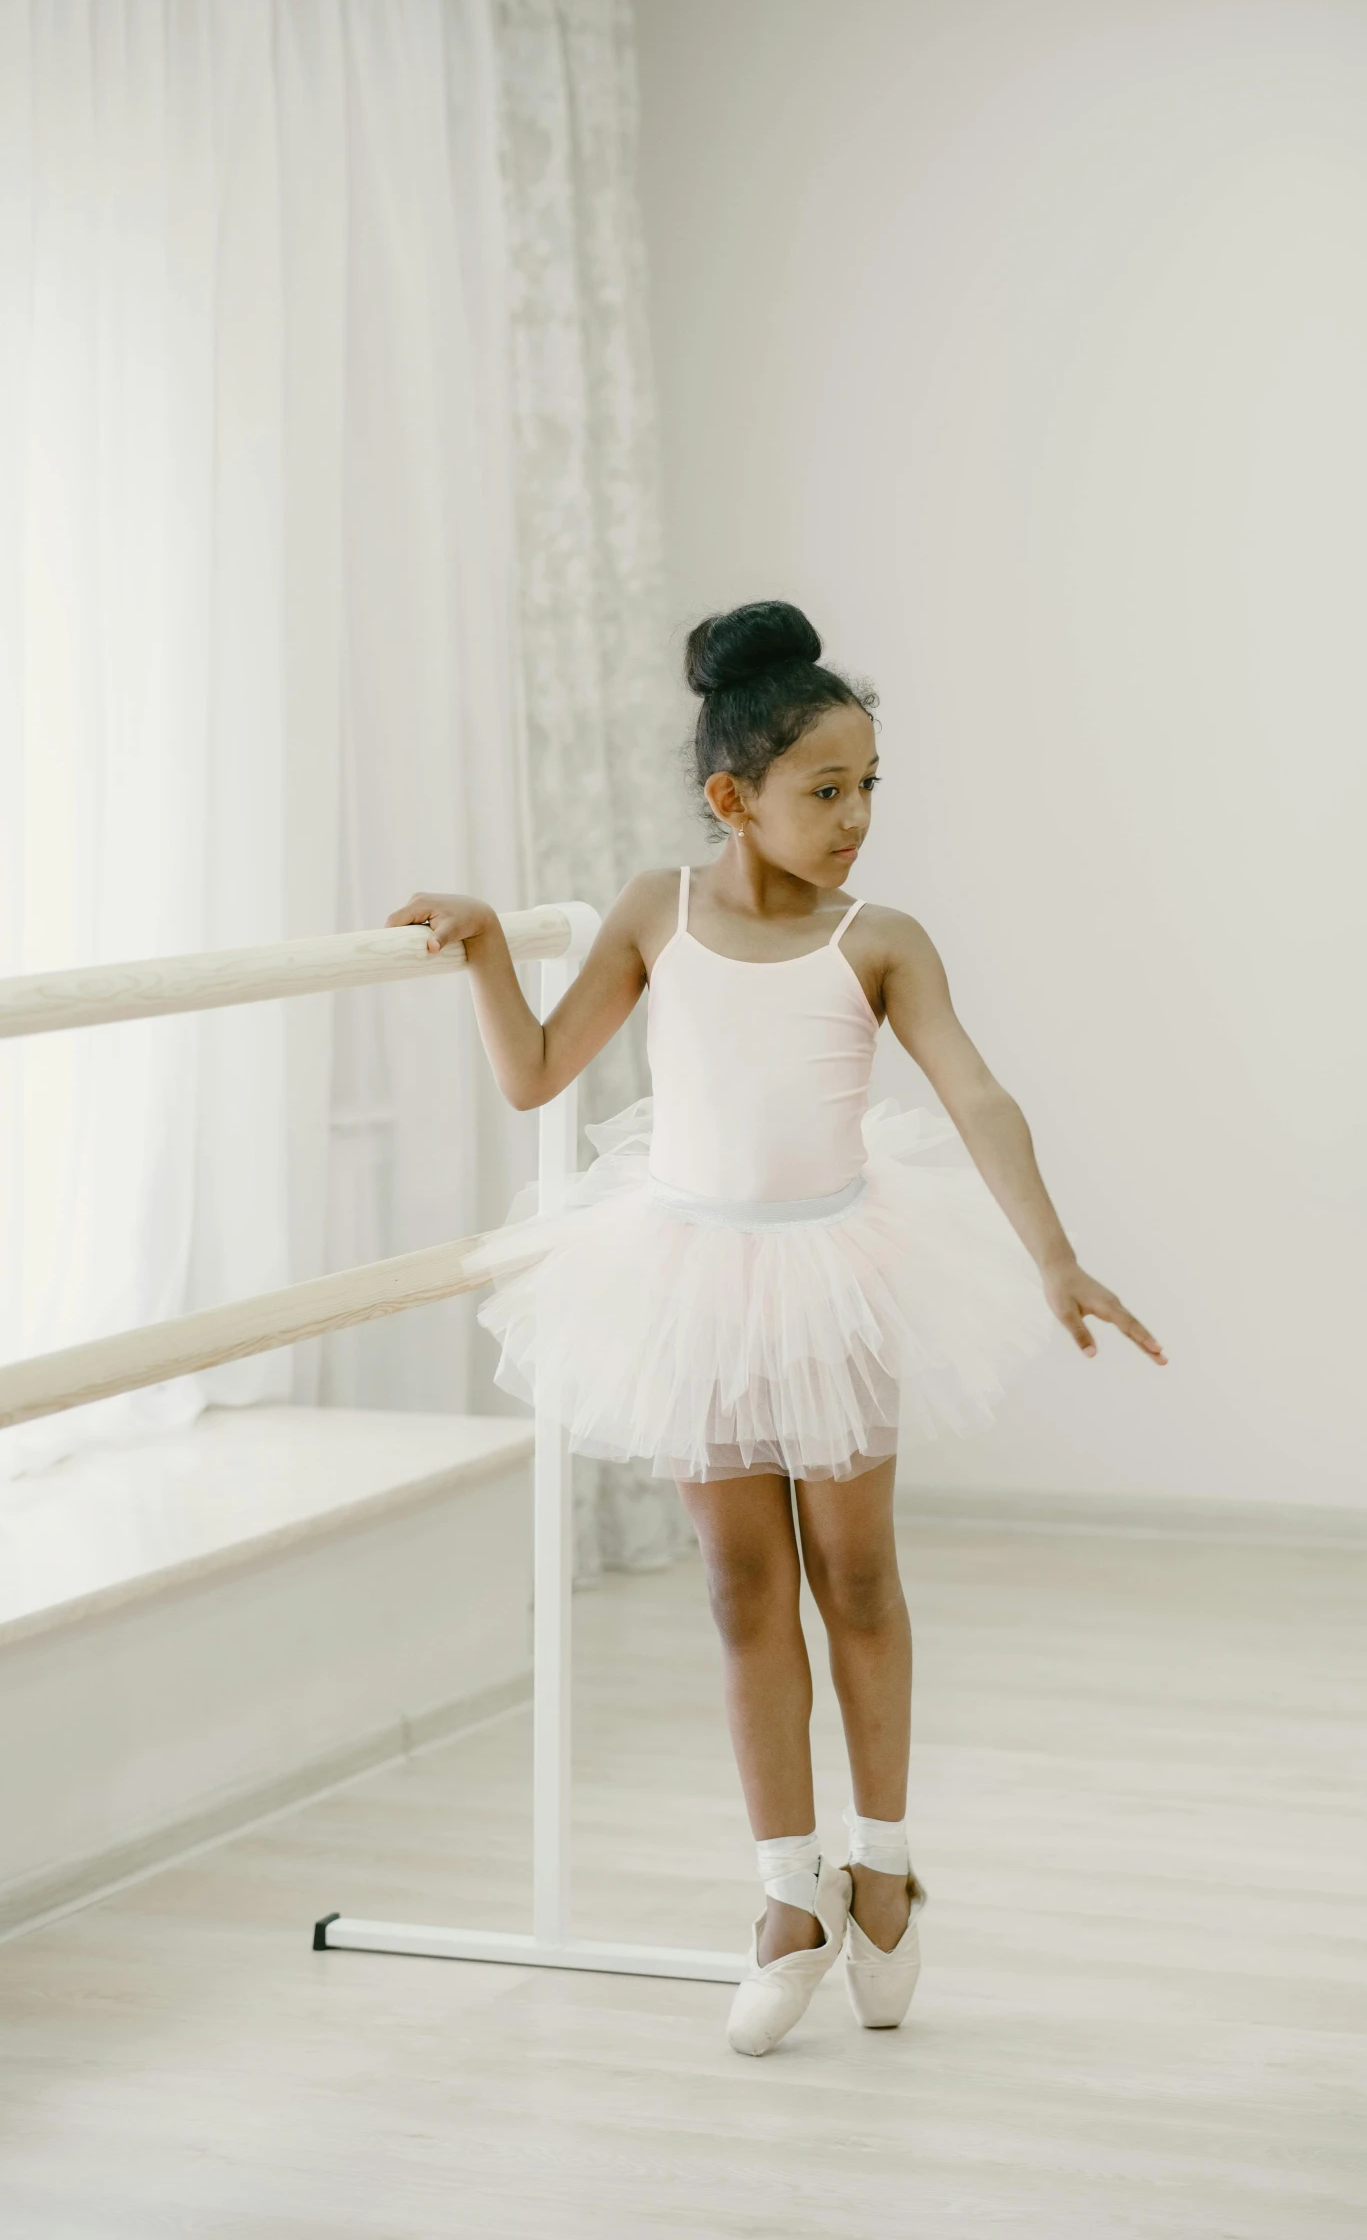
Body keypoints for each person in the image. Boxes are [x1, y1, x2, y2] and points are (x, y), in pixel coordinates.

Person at [387, 600, 1165, 2056]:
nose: (856, 816)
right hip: (688, 1278)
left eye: (869, 786)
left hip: (837, 1274)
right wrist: (489, 942)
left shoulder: (881, 940)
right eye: (827, 790)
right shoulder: (652, 911)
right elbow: (537, 1074)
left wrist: (1052, 1256)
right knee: (741, 1591)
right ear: (731, 797)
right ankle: (783, 1896)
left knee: (854, 1577)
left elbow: (977, 1094)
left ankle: (883, 1868)